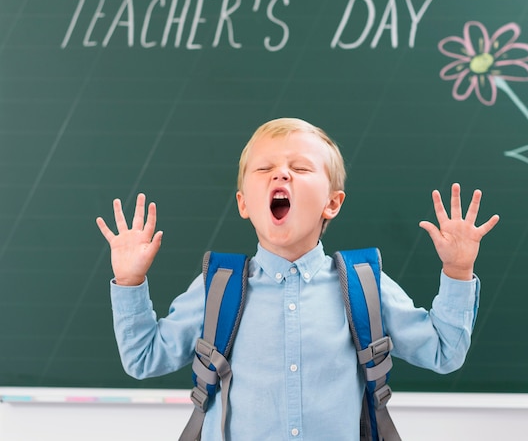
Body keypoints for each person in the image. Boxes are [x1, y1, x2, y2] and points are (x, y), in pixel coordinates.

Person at [96, 117, 500, 440]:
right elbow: (144, 359)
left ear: (333, 203)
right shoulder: (218, 287)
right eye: (265, 169)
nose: (281, 176)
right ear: (243, 204)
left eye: (301, 168)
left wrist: (458, 271)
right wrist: (130, 282)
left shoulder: (363, 285)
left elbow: (445, 353)